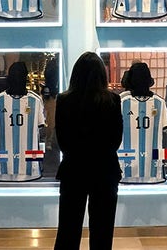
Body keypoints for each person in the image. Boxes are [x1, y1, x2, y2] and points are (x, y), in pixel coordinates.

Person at [54, 52, 123, 249]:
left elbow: (63, 141)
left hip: (73, 170)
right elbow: (115, 141)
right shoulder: (112, 101)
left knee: (68, 230)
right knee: (102, 232)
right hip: (105, 171)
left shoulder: (64, 100)